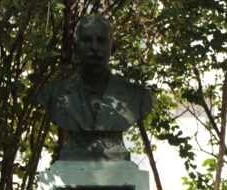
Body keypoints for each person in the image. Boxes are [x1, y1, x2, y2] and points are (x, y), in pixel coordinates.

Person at [37, 15, 153, 161]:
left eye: (102, 41)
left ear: (113, 47)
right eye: (86, 40)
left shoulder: (137, 97)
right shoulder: (52, 94)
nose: (94, 47)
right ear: (75, 46)